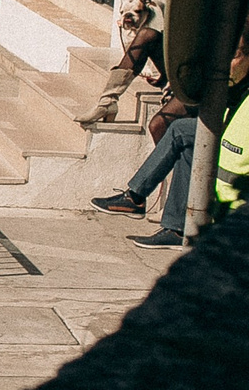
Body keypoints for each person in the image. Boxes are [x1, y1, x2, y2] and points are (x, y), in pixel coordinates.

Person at [93, 33, 249, 247]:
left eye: (235, 57)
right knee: (178, 131)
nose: (226, 64)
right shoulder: (229, 74)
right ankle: (167, 221)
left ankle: (143, 201)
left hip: (233, 170)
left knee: (181, 133)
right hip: (225, 126)